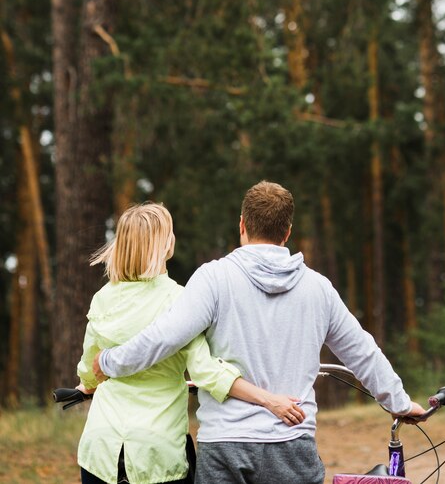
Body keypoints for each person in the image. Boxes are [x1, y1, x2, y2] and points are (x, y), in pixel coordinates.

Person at [94, 182, 426, 484]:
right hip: (293, 445)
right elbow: (360, 350)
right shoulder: (318, 288)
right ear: (287, 231)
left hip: (225, 448)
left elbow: (164, 337)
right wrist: (397, 401)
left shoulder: (214, 279)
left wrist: (109, 362)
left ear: (242, 225)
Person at [76, 202, 305, 484]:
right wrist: (269, 399)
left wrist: (87, 384)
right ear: (165, 245)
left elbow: (90, 368)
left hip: (101, 450)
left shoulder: (102, 298)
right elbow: (206, 371)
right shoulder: (180, 300)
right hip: (156, 453)